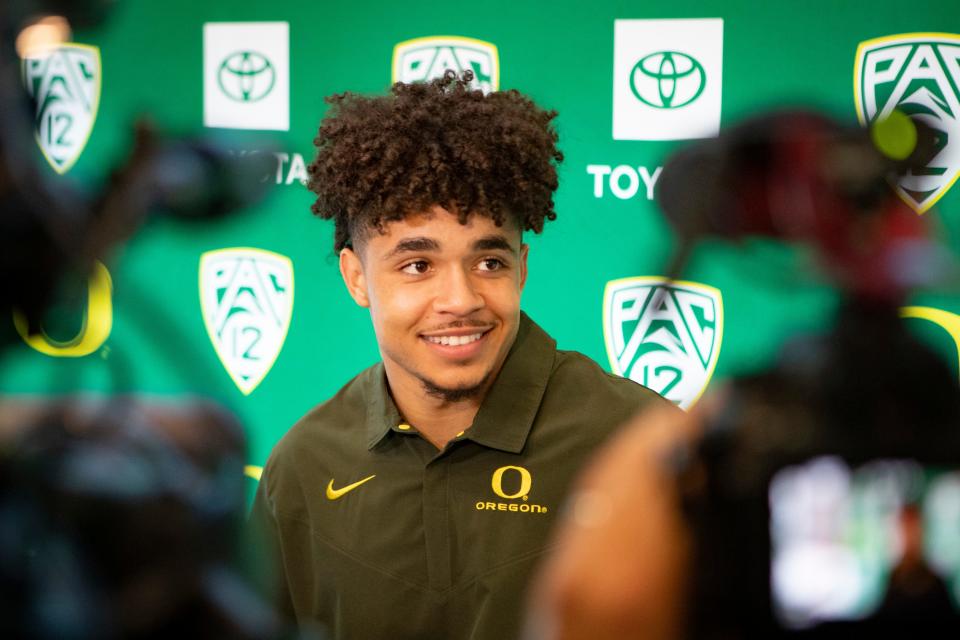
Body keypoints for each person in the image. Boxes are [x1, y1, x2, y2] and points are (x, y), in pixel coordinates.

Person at [247, 71, 672, 640]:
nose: (461, 300)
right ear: (357, 278)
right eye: (417, 266)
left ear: (522, 266)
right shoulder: (302, 467)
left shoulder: (642, 443)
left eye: (489, 262)